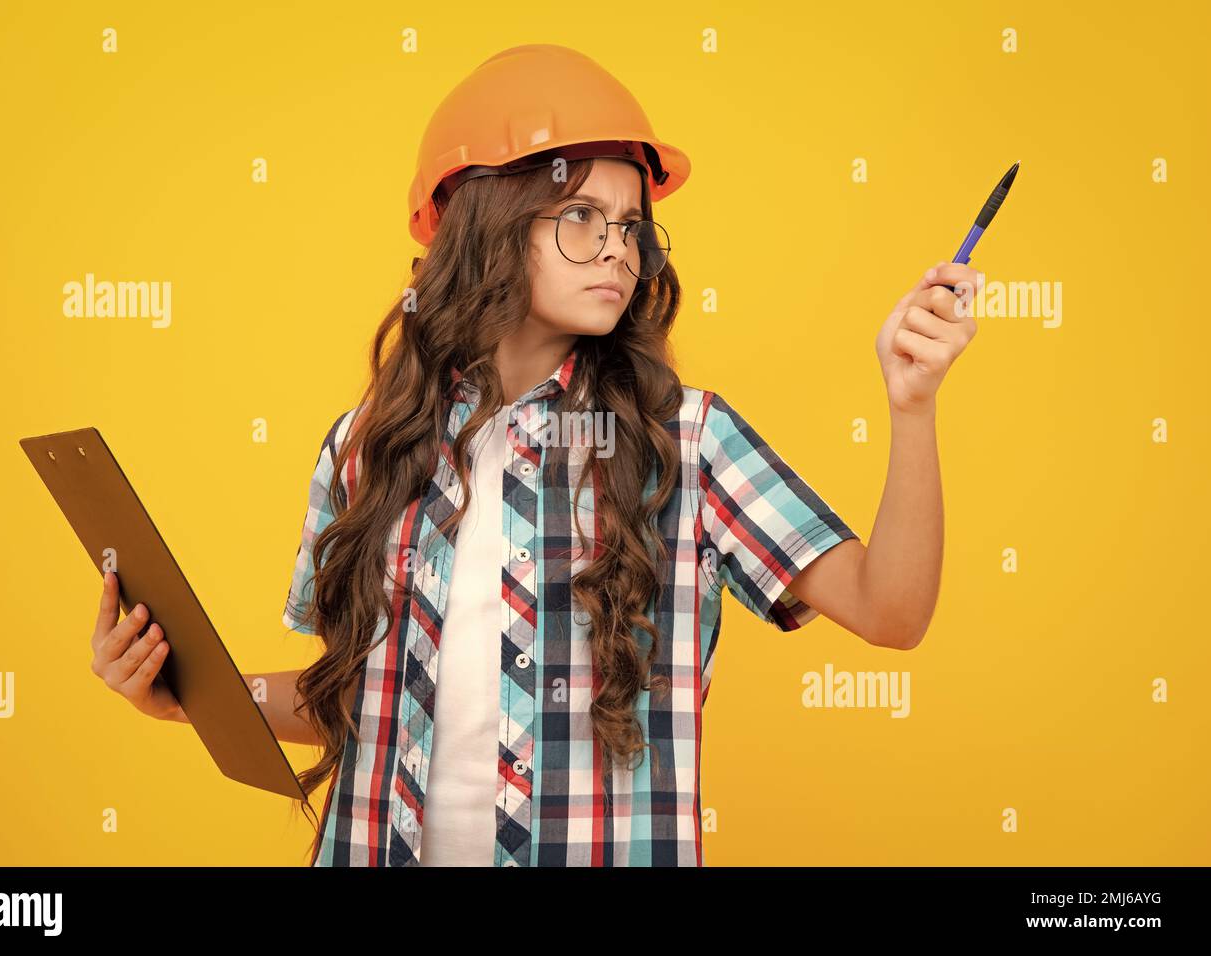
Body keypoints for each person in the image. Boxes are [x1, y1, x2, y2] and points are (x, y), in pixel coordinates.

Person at [87, 43, 978, 867]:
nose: (618, 252)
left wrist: (912, 405)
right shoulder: (366, 448)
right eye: (582, 215)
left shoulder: (688, 440)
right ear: (487, 220)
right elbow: (362, 706)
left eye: (631, 227)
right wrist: (188, 693)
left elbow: (888, 609)